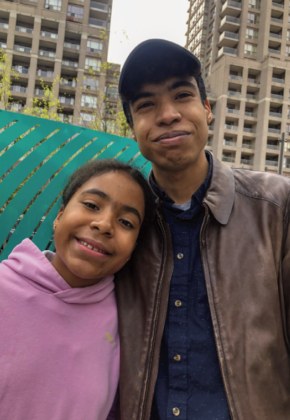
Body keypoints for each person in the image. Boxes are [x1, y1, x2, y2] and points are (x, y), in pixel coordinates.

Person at [114, 39, 290, 420]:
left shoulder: (276, 207)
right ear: (133, 128)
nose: (168, 114)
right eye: (146, 105)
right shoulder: (123, 222)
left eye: (182, 95)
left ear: (207, 109)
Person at [0, 159, 155, 420]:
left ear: (133, 249)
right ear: (59, 217)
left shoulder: (127, 323)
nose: (104, 225)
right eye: (91, 205)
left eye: (126, 222)